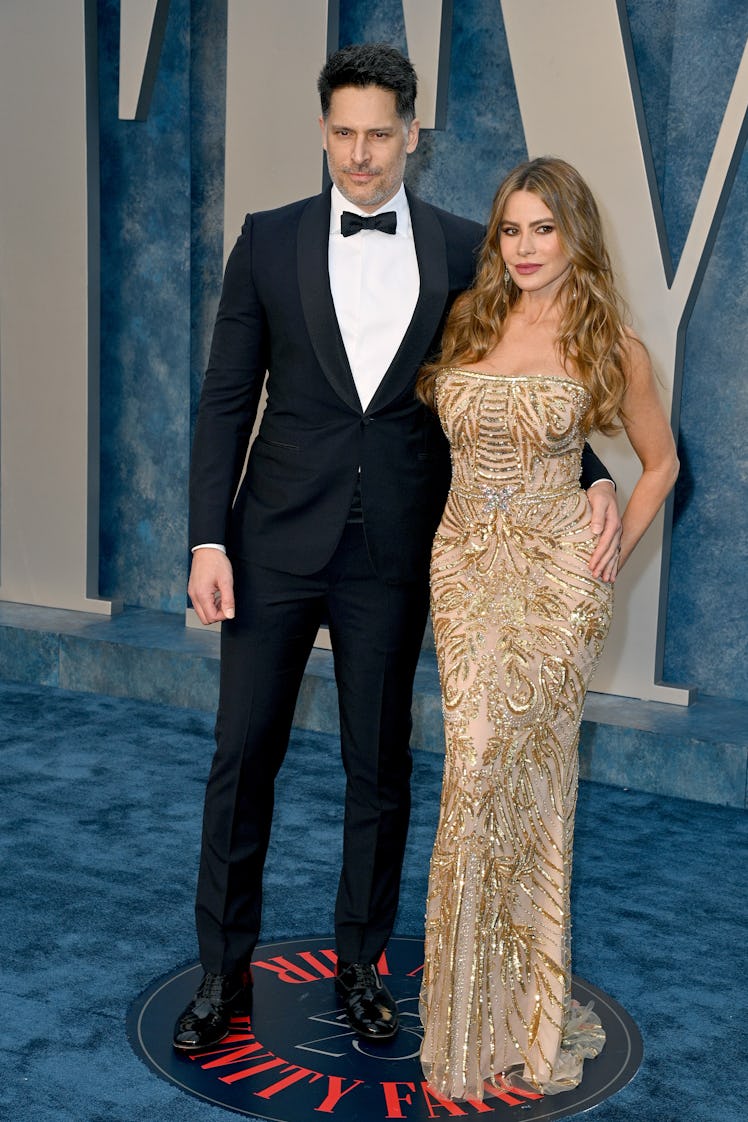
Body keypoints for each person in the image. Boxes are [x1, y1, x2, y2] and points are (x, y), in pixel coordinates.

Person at [173, 47, 621, 1053]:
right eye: (343, 133)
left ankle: (362, 966)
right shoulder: (268, 241)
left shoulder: (469, 249)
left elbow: (521, 374)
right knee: (243, 757)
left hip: (400, 554)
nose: (361, 154)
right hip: (273, 541)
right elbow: (224, 398)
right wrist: (208, 537)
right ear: (323, 132)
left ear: (411, 137)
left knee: (378, 766)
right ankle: (220, 973)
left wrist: (590, 471)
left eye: (380, 134)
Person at [416, 156, 679, 1100]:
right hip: (463, 572)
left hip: (553, 586)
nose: (525, 247)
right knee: (478, 770)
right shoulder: (471, 319)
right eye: (512, 230)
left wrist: (605, 554)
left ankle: (511, 1011)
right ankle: (478, 1007)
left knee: (507, 772)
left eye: (544, 229)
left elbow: (658, 461)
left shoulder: (611, 340)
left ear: (575, 235)